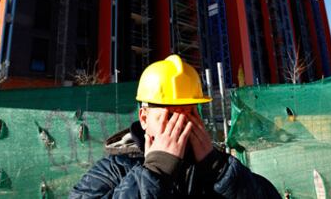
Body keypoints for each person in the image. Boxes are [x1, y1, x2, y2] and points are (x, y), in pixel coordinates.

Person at [69, 55, 280, 198]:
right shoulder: (115, 169)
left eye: (190, 114)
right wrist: (154, 171)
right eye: (170, 115)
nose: (181, 125)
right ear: (144, 118)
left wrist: (219, 169)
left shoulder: (213, 170)